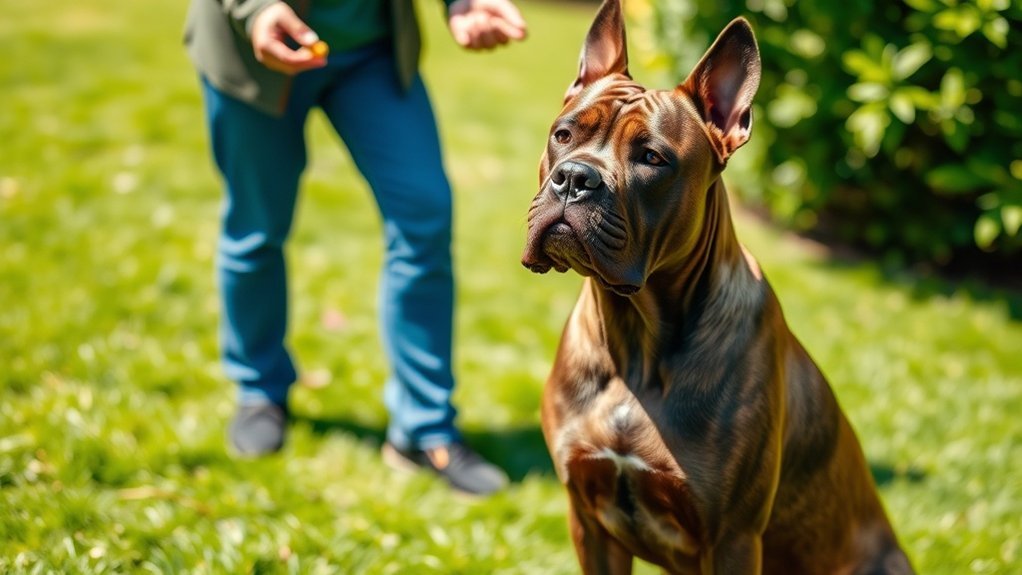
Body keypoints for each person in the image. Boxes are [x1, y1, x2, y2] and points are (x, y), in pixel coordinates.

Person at [183, 0, 527, 496]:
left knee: (423, 216)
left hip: (370, 51)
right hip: (253, 51)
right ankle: (259, 390)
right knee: (256, 229)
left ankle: (423, 428)